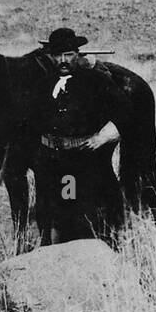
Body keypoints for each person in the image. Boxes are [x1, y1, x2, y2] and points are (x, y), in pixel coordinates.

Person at [32, 28, 127, 244]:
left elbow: (124, 109)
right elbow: (30, 118)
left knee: (83, 216)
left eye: (68, 54)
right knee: (51, 216)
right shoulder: (43, 84)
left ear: (77, 54)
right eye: (57, 55)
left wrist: (104, 136)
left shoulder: (96, 81)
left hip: (84, 162)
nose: (62, 60)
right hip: (51, 163)